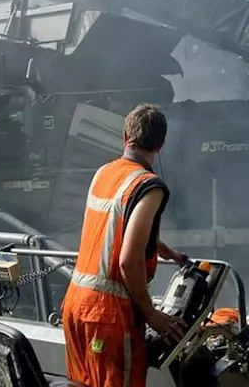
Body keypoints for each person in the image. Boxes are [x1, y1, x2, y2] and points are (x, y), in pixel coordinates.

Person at [61, 103, 190, 387]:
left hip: (75, 306)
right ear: (161, 145)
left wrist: (158, 246)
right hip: (109, 317)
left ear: (124, 137)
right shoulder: (149, 185)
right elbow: (128, 261)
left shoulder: (104, 173)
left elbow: (110, 229)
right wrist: (151, 314)